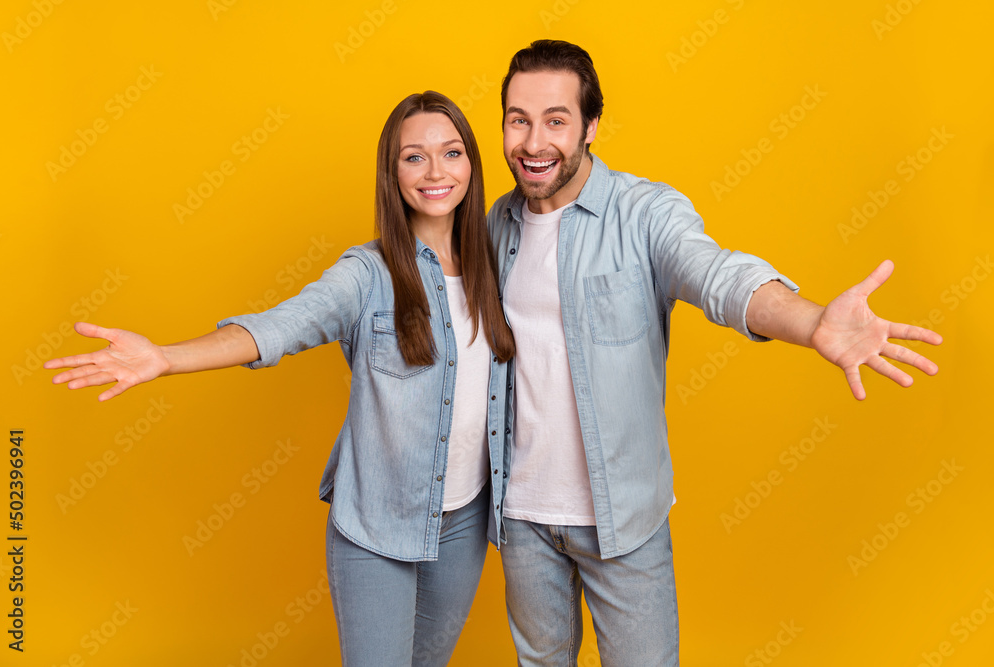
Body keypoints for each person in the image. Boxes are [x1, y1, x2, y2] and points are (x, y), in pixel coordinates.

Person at [487, 40, 942, 666]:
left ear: (591, 125)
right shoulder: (495, 226)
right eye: (519, 119)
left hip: (623, 519)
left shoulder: (645, 214)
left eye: (556, 120)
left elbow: (715, 275)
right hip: (521, 516)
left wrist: (812, 323)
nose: (533, 142)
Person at [45, 91, 515, 666]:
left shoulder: (497, 263)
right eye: (414, 157)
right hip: (375, 526)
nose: (436, 171)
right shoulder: (367, 274)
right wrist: (165, 357)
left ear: (472, 163)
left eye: (452, 153)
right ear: (391, 173)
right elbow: (281, 327)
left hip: (464, 521)